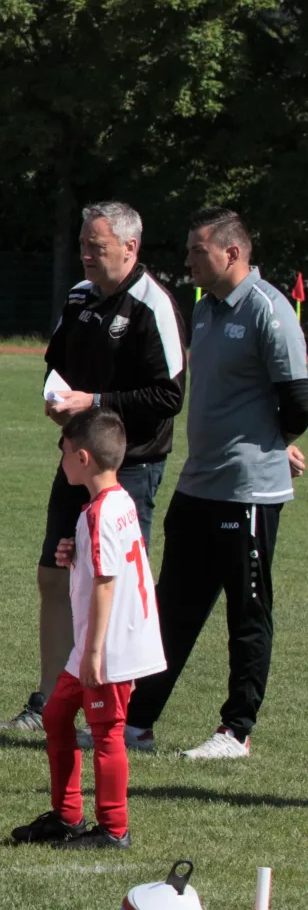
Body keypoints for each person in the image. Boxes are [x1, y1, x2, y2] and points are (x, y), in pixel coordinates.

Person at [127, 208, 308, 759]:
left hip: (247, 492)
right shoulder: (205, 309)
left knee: (247, 613)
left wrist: (270, 445)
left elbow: (299, 401)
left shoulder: (269, 309)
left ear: (231, 253)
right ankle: (138, 725)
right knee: (171, 609)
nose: (187, 261)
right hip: (198, 484)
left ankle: (236, 731)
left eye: (197, 251)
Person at [0, 203, 183, 733]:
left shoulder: (154, 305)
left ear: (130, 248)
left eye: (95, 247)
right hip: (74, 462)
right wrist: (56, 397)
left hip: (130, 470)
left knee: (112, 584)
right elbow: (55, 363)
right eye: (82, 244)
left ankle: (113, 711)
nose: (85, 254)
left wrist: (96, 401)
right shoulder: (79, 297)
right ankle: (47, 701)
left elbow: (169, 395)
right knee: (54, 575)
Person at [14, 411, 166, 848]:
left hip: (107, 648)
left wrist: (95, 654)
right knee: (56, 716)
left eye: (64, 452)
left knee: (106, 733)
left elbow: (105, 583)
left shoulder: (101, 513)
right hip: (93, 644)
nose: (61, 460)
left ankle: (114, 829)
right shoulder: (118, 502)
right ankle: (67, 817)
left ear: (82, 458)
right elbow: (107, 564)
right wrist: (76, 555)